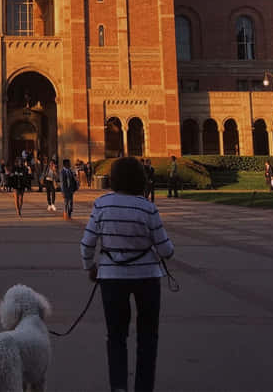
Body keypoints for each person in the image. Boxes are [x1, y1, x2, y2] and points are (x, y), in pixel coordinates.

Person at [81, 157, 175, 392]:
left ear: (113, 178)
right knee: (147, 337)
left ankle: (119, 387)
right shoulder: (147, 206)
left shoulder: (102, 204)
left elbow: (87, 243)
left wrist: (90, 267)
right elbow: (166, 250)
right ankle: (144, 387)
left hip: (112, 278)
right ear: (140, 179)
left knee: (116, 335)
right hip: (147, 278)